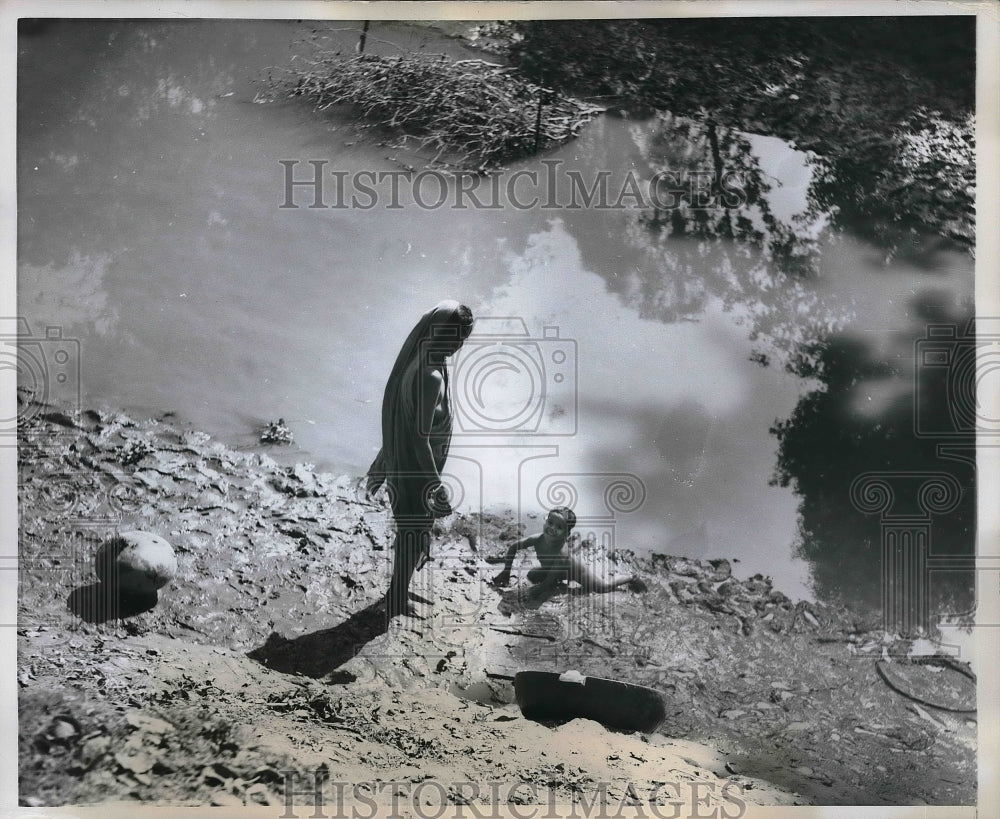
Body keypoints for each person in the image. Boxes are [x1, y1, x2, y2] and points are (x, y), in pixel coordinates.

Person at [367, 300, 475, 619]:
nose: (458, 346)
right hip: (416, 470)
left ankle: (399, 589)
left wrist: (381, 462)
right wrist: (434, 487)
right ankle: (397, 598)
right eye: (454, 337)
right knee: (413, 534)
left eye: (463, 339)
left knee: (412, 532)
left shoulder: (421, 360)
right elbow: (419, 437)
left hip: (406, 465)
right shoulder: (430, 375)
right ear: (438, 332)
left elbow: (401, 420)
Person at [488, 506, 644, 595]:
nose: (552, 528)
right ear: (546, 521)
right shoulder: (537, 539)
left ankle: (630, 577)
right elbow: (513, 547)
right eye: (550, 522)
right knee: (531, 575)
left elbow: (546, 586)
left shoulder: (561, 555)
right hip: (552, 568)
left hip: (576, 572)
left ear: (567, 534)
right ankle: (558, 580)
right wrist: (506, 571)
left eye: (559, 527)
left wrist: (530, 594)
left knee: (602, 588)